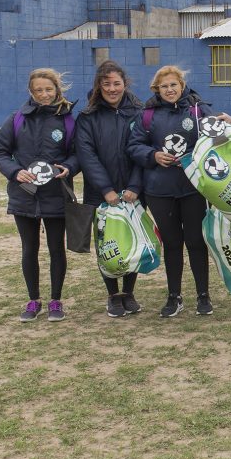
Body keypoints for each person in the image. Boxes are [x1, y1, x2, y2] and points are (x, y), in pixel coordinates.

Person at [0, 68, 79, 322]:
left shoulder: (69, 120)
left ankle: (55, 301)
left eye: (49, 89)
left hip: (56, 195)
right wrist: (15, 172)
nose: (44, 94)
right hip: (24, 196)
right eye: (38, 90)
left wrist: (69, 167)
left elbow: (78, 153)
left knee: (56, 249)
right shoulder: (17, 119)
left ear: (57, 90)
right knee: (29, 248)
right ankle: (33, 300)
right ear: (31, 91)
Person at [127, 65, 215, 318]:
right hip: (160, 190)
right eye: (164, 86)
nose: (169, 90)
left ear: (182, 85)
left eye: (173, 85)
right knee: (173, 243)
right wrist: (153, 155)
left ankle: (203, 295)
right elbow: (133, 146)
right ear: (157, 89)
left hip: (193, 188)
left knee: (196, 242)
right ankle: (174, 296)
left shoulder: (198, 110)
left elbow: (216, 139)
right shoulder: (147, 115)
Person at [75, 60, 145, 318]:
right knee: (109, 245)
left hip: (133, 193)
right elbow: (86, 156)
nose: (112, 89)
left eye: (117, 83)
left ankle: (128, 292)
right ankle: (113, 295)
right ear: (98, 86)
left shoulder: (139, 112)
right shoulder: (87, 116)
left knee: (132, 241)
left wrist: (135, 186)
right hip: (101, 194)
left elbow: (143, 151)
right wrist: (106, 190)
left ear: (125, 84)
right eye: (107, 84)